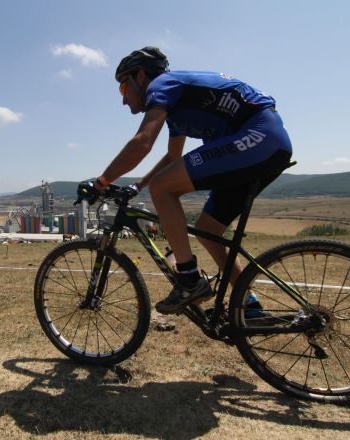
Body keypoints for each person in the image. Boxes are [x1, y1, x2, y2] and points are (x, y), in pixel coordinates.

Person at [87, 46, 293, 314]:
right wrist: (137, 186)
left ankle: (189, 280)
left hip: (258, 136)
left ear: (140, 76)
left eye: (123, 88)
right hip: (265, 142)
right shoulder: (176, 102)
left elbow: (142, 143)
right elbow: (172, 157)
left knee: (162, 187)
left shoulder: (162, 85)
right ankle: (250, 306)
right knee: (208, 229)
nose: (124, 100)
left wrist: (101, 182)